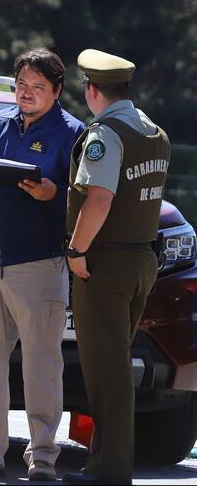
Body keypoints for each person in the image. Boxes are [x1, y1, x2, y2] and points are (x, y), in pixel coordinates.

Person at [0, 49, 85, 481]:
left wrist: (53, 195)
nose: (26, 94)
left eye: (37, 87)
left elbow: (85, 201)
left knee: (43, 365)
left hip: (40, 264)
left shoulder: (73, 134)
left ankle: (43, 456)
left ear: (57, 91)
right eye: (21, 85)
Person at [63, 50, 170, 485]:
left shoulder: (106, 134)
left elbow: (100, 199)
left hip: (106, 263)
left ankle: (109, 468)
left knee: (106, 369)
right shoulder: (155, 132)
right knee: (115, 363)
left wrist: (76, 251)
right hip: (142, 258)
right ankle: (106, 460)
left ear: (92, 90)